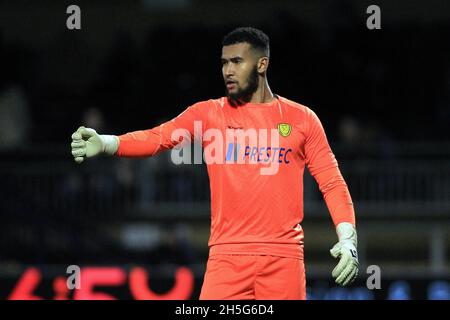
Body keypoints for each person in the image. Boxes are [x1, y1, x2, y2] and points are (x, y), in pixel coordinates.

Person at [70, 27, 358, 300]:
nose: (227, 71)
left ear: (261, 64)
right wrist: (108, 143)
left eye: (236, 61)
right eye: (223, 63)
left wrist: (347, 239)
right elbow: (159, 138)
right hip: (227, 258)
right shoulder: (209, 114)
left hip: (283, 258)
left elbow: (332, 182)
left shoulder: (302, 119)